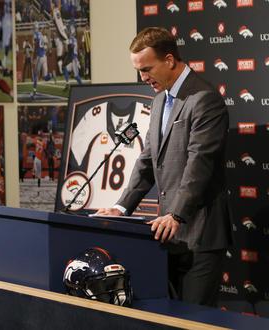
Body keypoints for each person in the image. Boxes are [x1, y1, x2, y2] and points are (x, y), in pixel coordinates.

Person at [96, 27, 232, 307]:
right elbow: (148, 159)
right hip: (166, 237)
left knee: (194, 322)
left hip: (199, 236)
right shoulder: (159, 100)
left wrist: (177, 215)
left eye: (147, 69)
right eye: (138, 71)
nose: (143, 78)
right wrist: (122, 208)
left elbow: (199, 165)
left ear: (169, 60)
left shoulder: (204, 99)